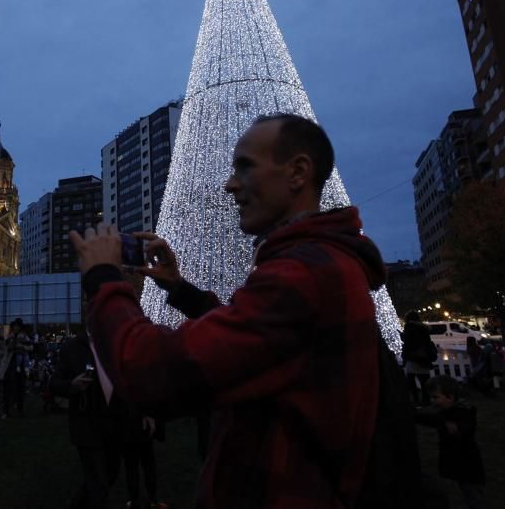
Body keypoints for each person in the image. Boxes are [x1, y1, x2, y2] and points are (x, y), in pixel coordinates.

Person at [69, 113, 385, 507]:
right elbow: (251, 346)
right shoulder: (318, 262)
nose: (230, 184)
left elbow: (151, 373)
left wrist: (103, 280)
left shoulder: (301, 274)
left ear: (298, 172)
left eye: (245, 167)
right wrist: (179, 289)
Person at [49, 317, 123, 509]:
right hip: (87, 424)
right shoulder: (72, 348)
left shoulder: (114, 343)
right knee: (98, 482)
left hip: (113, 423)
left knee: (110, 473)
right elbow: (54, 383)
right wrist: (71, 385)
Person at [416, 375, 486, 508]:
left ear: (450, 397)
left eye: (435, 397)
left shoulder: (465, 411)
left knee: (473, 495)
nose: (432, 401)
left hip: (469, 464)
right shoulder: (444, 411)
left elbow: (465, 427)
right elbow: (427, 416)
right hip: (453, 462)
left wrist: (455, 427)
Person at [401, 311, 435, 406]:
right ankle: (426, 399)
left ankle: (416, 400)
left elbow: (408, 343)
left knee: (411, 380)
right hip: (423, 357)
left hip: (413, 356)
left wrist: (403, 338)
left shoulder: (409, 327)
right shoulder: (423, 328)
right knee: (424, 380)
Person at [3, 318, 32, 418]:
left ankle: (19, 408)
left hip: (20, 364)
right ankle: (7, 409)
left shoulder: (23, 336)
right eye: (14, 326)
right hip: (11, 363)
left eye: (17, 326)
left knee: (20, 386)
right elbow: (5, 347)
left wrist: (21, 347)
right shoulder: (10, 336)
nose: (15, 328)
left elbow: (30, 347)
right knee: (9, 387)